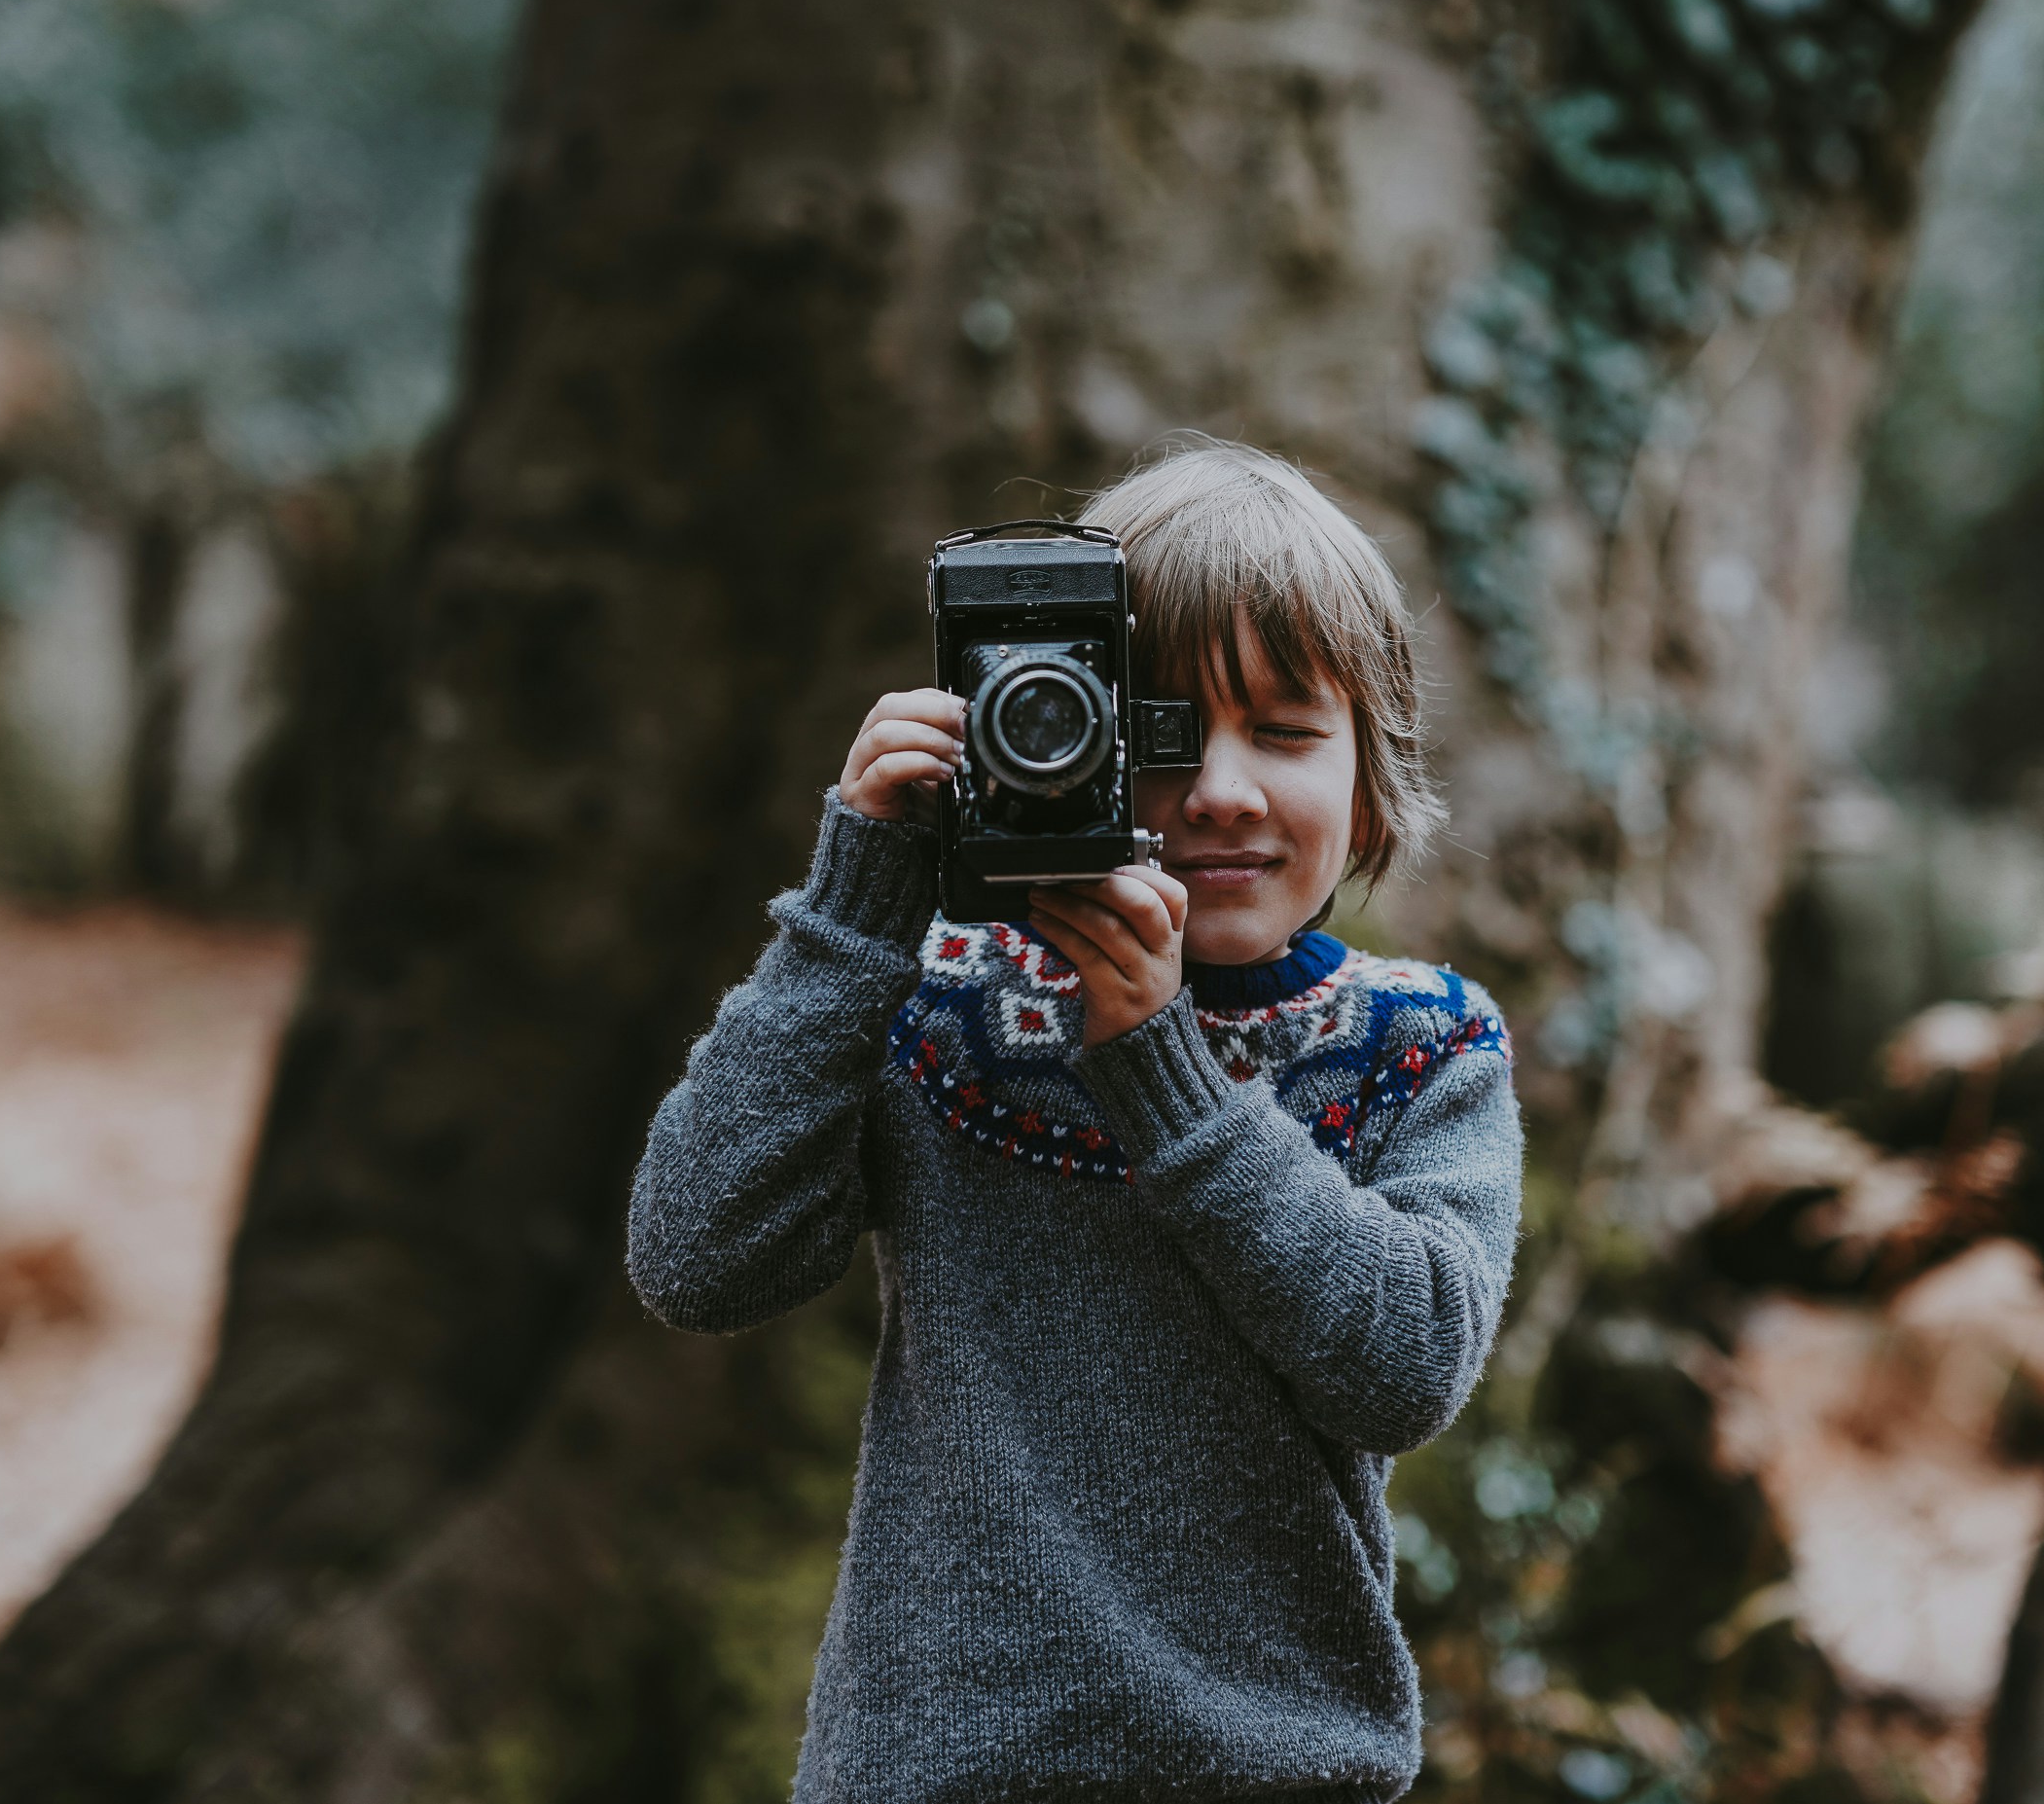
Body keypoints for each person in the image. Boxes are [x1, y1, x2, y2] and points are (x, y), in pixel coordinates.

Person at [628, 439, 1524, 1803]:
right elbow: (699, 1255)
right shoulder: (940, 1005)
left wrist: (1162, 1066)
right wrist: (857, 897)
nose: (1223, 788)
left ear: (1369, 772)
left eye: (1285, 731)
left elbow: (1403, 1365)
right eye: (1160, 730)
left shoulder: (1424, 1043)